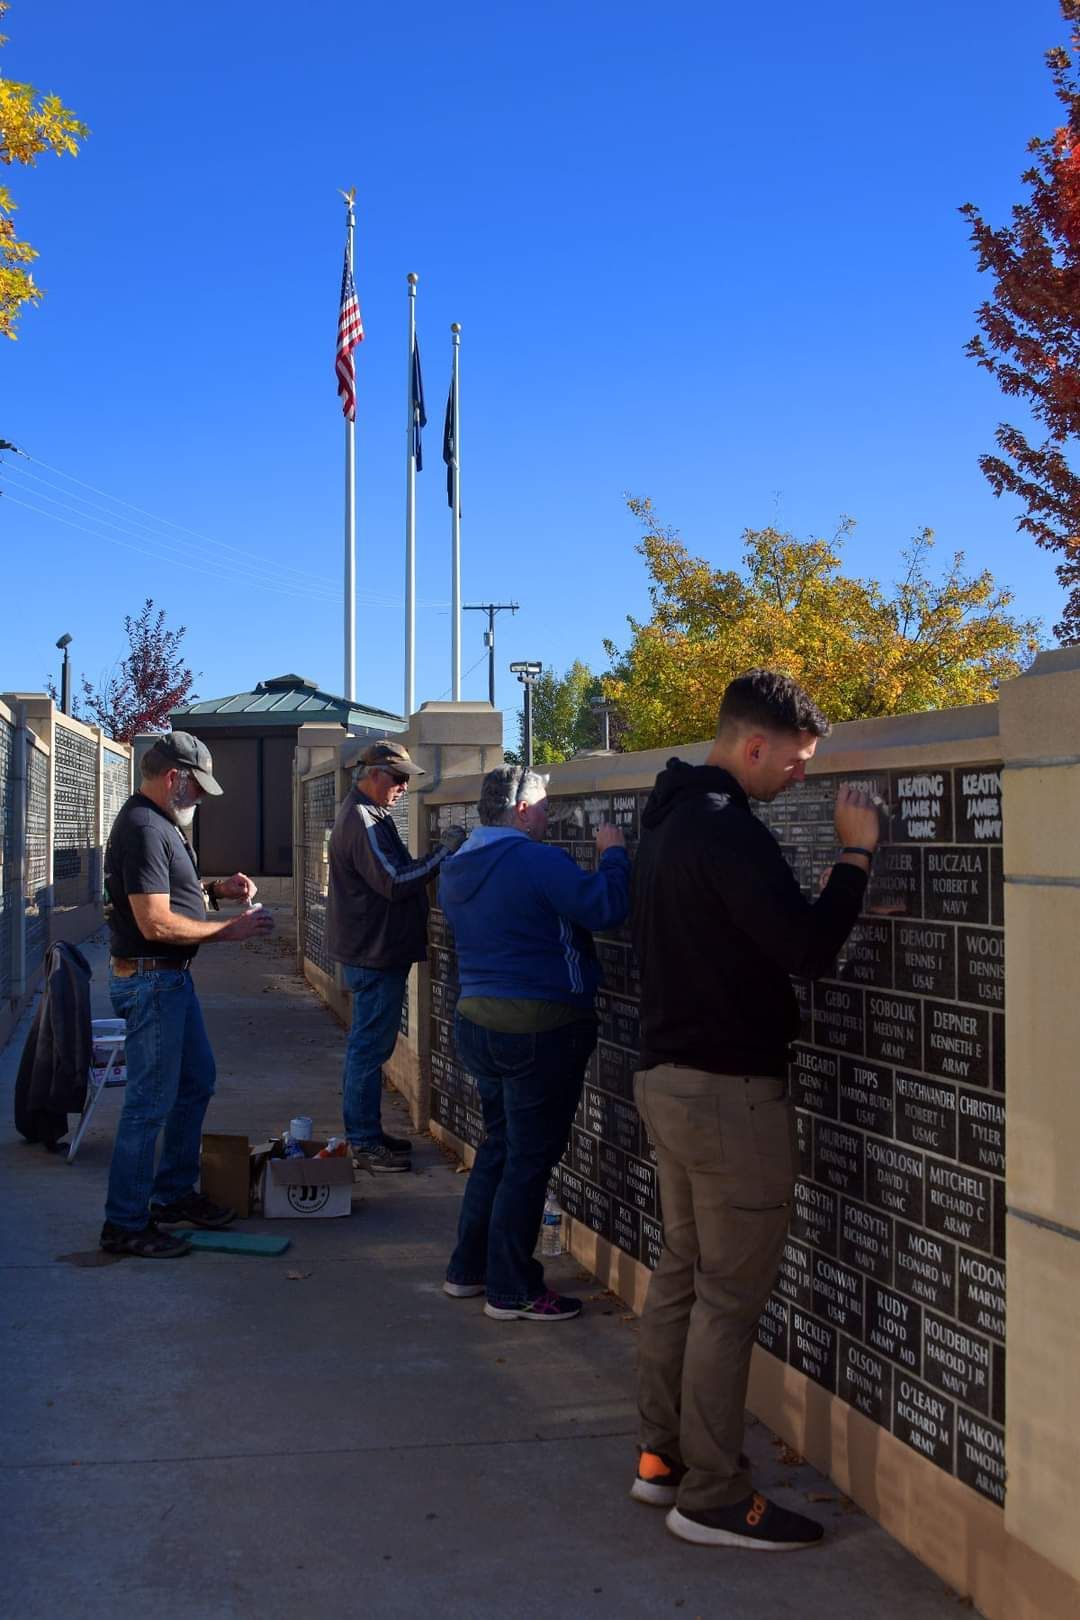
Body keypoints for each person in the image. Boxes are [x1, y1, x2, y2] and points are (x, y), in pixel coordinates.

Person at [630, 669, 880, 1549]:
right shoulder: (727, 832)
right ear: (753, 747)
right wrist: (854, 856)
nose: (802, 777)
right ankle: (713, 1496)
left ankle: (660, 1461)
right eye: (799, 761)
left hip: (668, 1080)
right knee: (728, 1300)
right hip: (730, 1095)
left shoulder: (663, 821)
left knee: (681, 1277)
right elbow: (806, 950)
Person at [439, 765, 630, 1321]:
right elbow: (604, 908)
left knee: (497, 1149)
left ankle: (467, 1270)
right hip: (539, 1025)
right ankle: (512, 1287)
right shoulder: (533, 857)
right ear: (521, 811)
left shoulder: (458, 864)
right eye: (545, 807)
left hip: (476, 1020)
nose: (550, 817)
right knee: (528, 1161)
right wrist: (613, 854)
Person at [100, 732, 275, 1259]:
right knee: (148, 1106)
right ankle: (124, 1223)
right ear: (174, 777)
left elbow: (170, 894)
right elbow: (152, 921)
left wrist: (216, 892)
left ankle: (172, 1194)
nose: (201, 798)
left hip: (168, 980)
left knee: (195, 1083)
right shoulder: (144, 828)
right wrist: (227, 932)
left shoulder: (161, 826)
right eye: (197, 788)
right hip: (153, 979)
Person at [327, 739, 466, 1172]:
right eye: (399, 778)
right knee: (368, 1050)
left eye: (407, 779)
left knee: (370, 1047)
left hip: (374, 949)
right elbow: (394, 881)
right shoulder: (362, 821)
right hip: (373, 953)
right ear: (372, 774)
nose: (405, 787)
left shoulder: (370, 814)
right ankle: (365, 1142)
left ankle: (368, 1132)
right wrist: (444, 852)